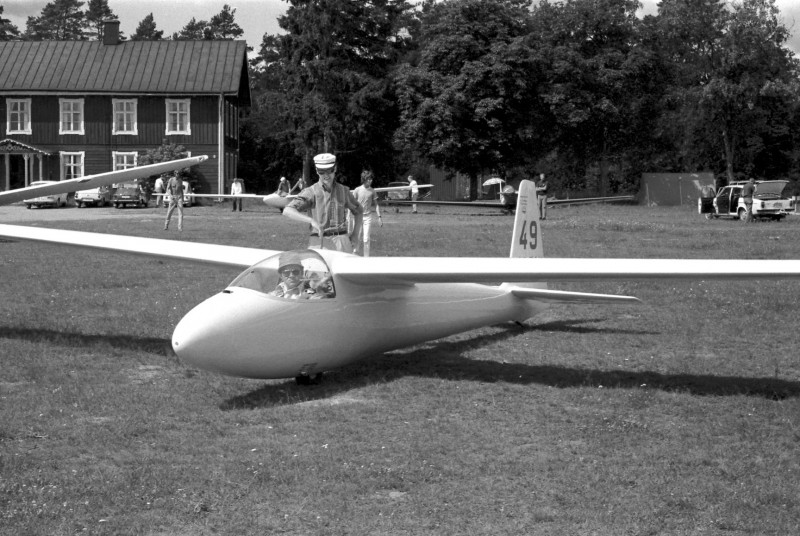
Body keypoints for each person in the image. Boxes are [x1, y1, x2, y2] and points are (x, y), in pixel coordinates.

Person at [283, 153, 363, 252]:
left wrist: (355, 235)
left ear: (335, 168)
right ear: (317, 171)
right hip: (319, 241)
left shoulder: (344, 191)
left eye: (330, 170)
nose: (326, 175)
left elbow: (359, 211)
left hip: (342, 241)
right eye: (321, 172)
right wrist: (311, 221)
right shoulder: (311, 192)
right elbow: (288, 210)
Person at [351, 170, 383, 257]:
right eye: (369, 179)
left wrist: (379, 217)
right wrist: (349, 216)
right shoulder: (357, 190)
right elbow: (352, 203)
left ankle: (366, 258)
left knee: (366, 239)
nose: (371, 180)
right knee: (357, 237)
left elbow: (376, 205)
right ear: (364, 179)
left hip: (367, 217)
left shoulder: (372, 191)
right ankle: (354, 256)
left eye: (371, 179)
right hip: (358, 217)